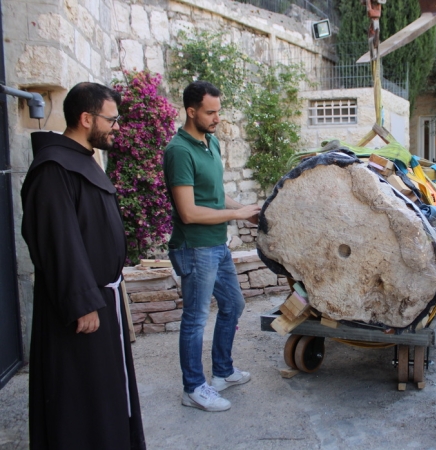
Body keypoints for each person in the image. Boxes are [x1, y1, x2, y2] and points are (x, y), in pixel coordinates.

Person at [21, 82, 146, 449]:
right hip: (82, 308)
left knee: (103, 392)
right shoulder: (53, 168)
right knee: (80, 398)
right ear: (86, 117)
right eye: (112, 119)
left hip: (100, 299)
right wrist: (82, 302)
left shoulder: (80, 159)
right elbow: (58, 241)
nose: (117, 127)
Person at [164, 81, 261, 412]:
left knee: (234, 305)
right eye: (210, 112)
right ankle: (192, 388)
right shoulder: (179, 151)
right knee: (194, 319)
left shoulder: (211, 142)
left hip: (217, 244)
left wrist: (246, 212)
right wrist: (235, 213)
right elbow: (189, 212)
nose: (217, 117)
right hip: (194, 247)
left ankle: (222, 371)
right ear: (191, 112)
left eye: (219, 111)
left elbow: (216, 192)